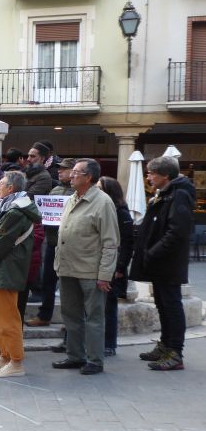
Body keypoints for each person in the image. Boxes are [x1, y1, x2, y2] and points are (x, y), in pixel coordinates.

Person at [53, 158, 120, 376]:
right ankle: (75, 355)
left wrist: (105, 275)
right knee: (71, 315)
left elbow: (110, 242)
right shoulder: (72, 198)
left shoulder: (103, 202)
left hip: (91, 271)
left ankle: (95, 359)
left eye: (76, 173)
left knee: (94, 317)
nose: (71, 176)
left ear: (89, 177)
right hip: (68, 268)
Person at [130, 156, 195, 371]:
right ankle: (165, 345)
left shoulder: (179, 195)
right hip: (160, 262)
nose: (148, 176)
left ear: (165, 175)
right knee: (163, 305)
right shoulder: (166, 194)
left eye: (151, 173)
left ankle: (175, 352)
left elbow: (177, 231)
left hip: (168, 263)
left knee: (171, 306)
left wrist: (152, 252)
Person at [0, 171, 41, 377]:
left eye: (2, 183)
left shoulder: (15, 212)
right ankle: (4, 355)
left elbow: (1, 243)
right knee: (1, 316)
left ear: (11, 188)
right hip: (3, 267)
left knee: (9, 318)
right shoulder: (9, 207)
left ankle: (16, 362)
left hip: (9, 268)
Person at [28, 158, 76, 330]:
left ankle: (69, 319)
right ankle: (44, 314)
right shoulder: (54, 189)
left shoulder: (77, 192)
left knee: (68, 284)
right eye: (59, 169)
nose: (60, 171)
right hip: (52, 241)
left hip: (71, 245)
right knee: (48, 279)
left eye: (64, 169)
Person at [96, 177, 134, 357]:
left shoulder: (121, 213)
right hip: (99, 264)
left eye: (99, 188)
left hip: (113, 266)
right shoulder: (101, 208)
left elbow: (127, 243)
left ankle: (109, 343)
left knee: (109, 306)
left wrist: (120, 268)